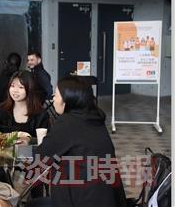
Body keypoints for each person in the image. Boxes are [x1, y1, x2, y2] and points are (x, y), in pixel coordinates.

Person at [28, 76, 127, 207]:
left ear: (67, 100)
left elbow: (41, 157)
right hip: (106, 197)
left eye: (56, 95)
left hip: (81, 199)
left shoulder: (67, 123)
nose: (53, 99)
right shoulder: (94, 117)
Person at [0, 71, 49, 135]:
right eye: (12, 86)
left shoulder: (41, 114)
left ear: (30, 89)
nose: (15, 90)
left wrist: (30, 140)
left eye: (21, 87)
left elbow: (46, 140)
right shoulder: (0, 111)